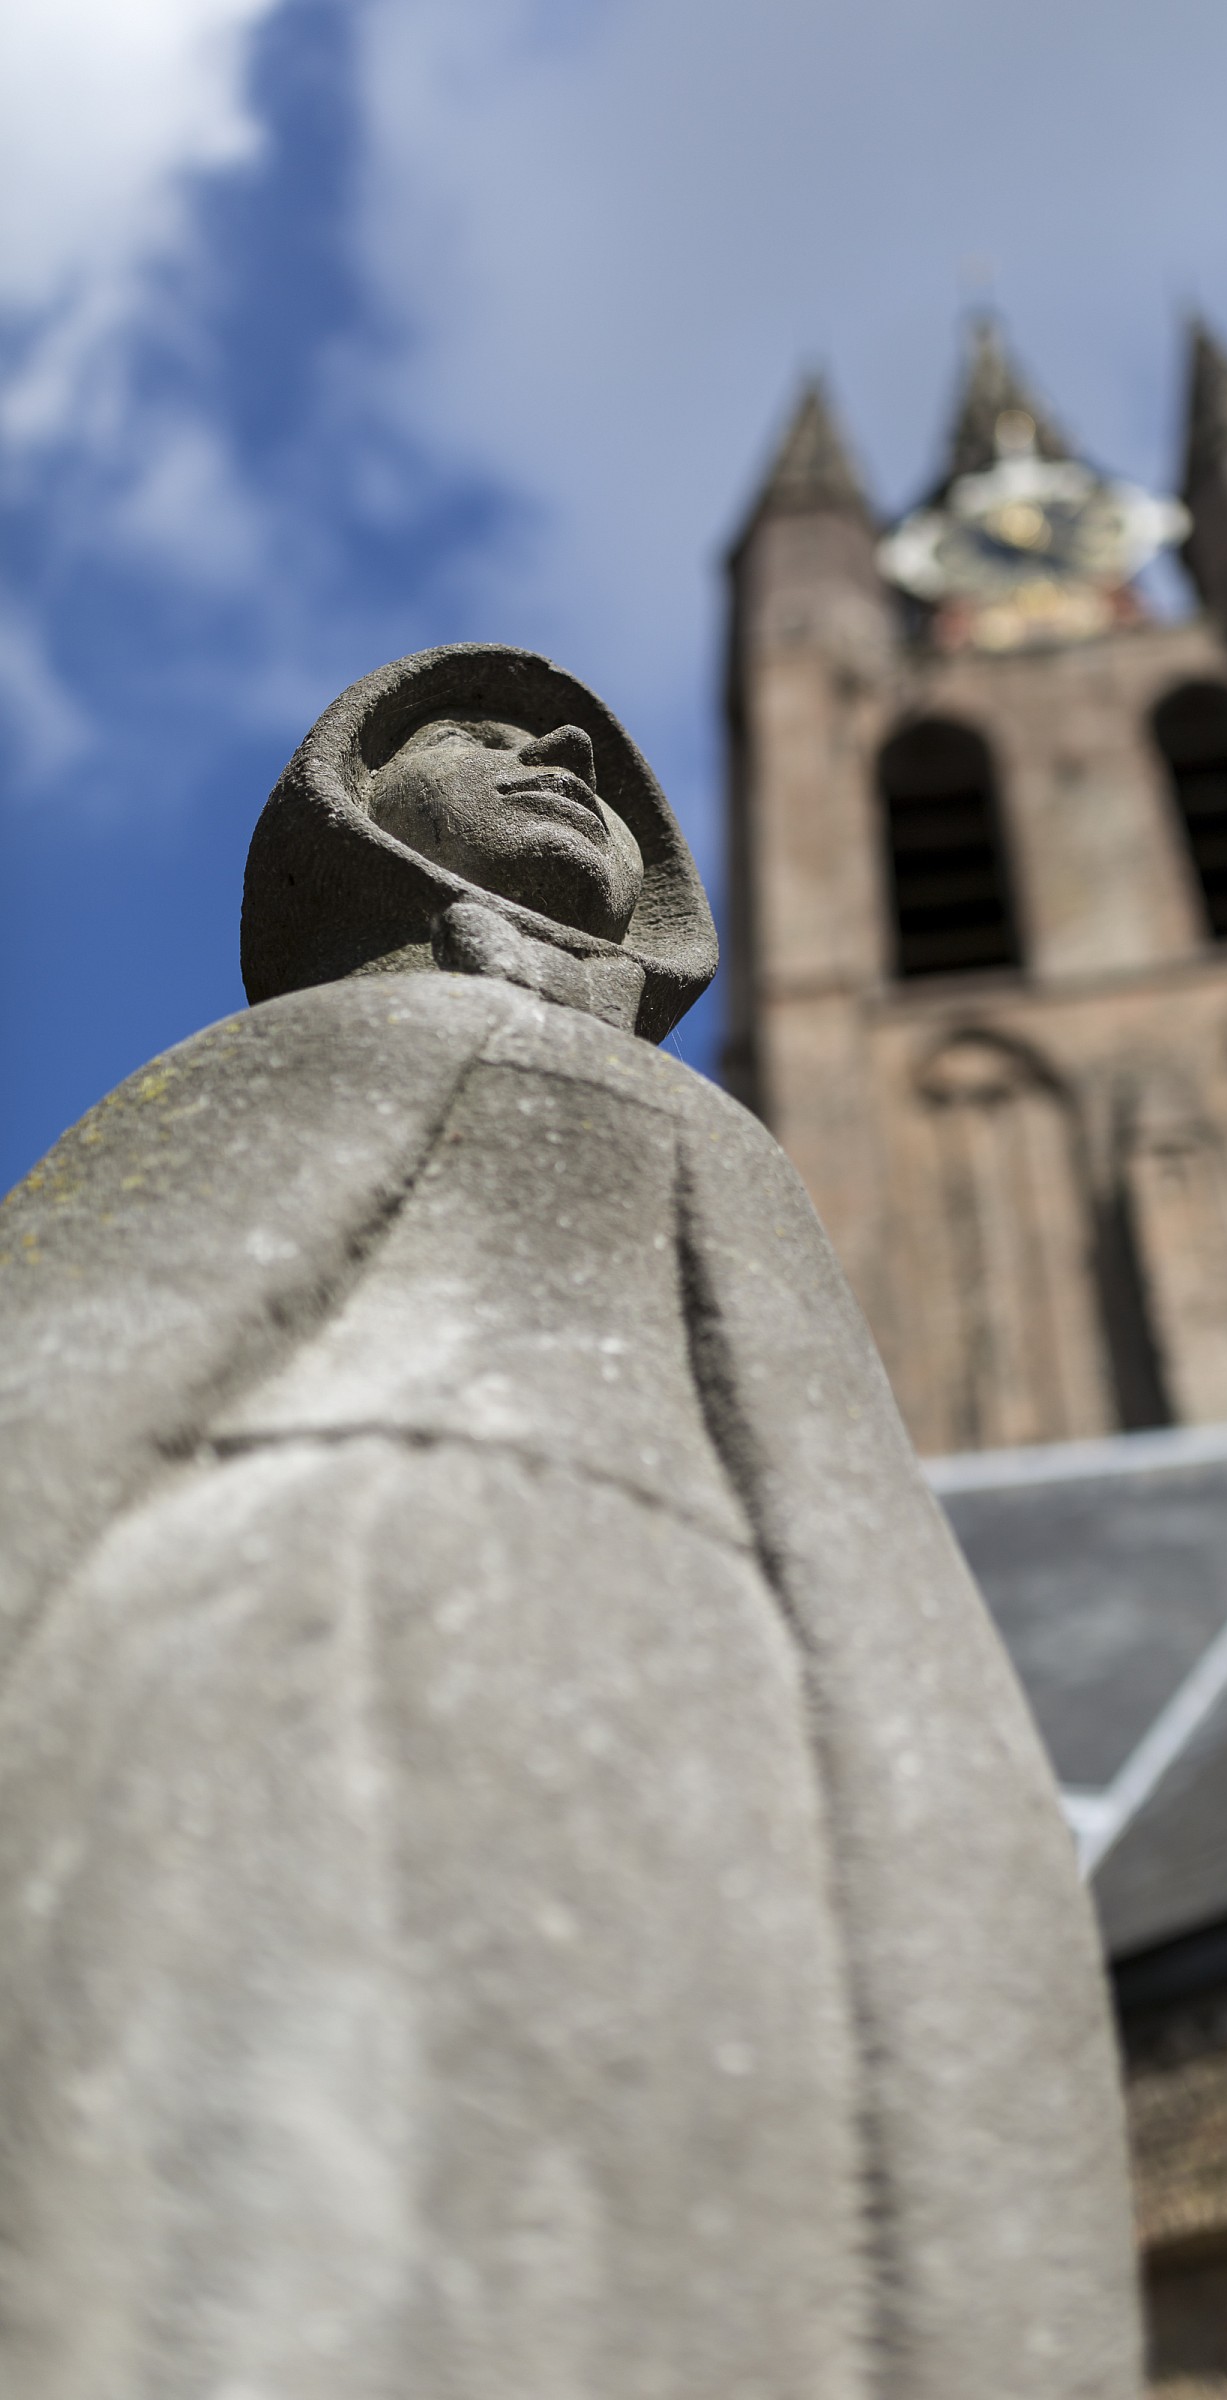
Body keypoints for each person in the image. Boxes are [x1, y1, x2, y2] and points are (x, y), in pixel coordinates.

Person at [0, 644, 1138, 2400]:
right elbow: (67, 1379)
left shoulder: (724, 1144)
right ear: (356, 808)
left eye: (596, 751)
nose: (555, 747)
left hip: (704, 1764)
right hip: (274, 1691)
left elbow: (865, 1563)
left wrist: (967, 1922)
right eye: (476, 728)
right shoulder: (302, 1055)